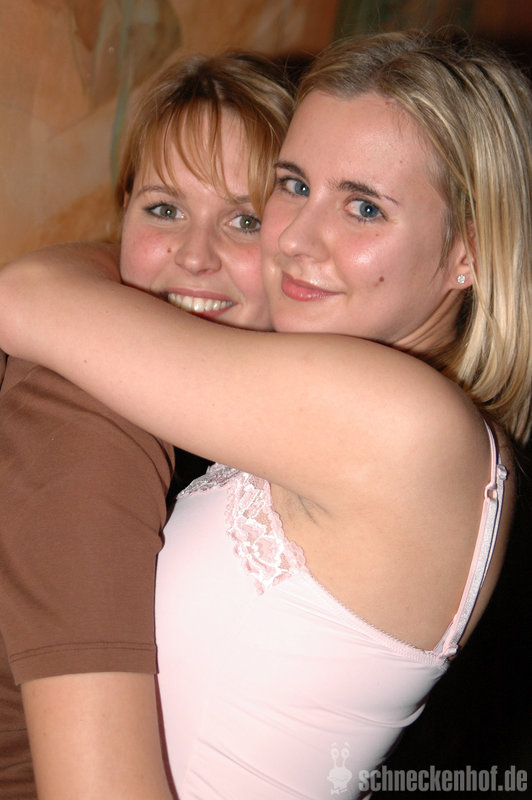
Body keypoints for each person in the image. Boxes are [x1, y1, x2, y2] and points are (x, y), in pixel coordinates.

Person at [1, 28, 530, 800]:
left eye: (364, 207)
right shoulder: (397, 418)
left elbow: (26, 296)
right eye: (293, 185)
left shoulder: (397, 421)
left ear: (468, 253)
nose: (297, 239)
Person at [0, 51, 293, 800]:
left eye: (245, 221)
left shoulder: (258, 413)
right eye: (164, 210)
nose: (194, 257)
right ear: (123, 212)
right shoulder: (84, 415)